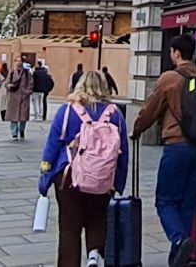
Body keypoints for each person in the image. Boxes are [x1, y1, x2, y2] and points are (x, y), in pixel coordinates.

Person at [132, 35, 196, 267]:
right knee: (187, 202)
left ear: (176, 53)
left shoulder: (170, 78)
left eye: (171, 52)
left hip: (177, 146)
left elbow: (151, 109)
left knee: (165, 202)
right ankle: (177, 258)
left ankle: (179, 239)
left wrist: (136, 130)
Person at [38, 70, 129, 267]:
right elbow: (123, 152)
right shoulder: (115, 115)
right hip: (103, 178)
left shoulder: (68, 111)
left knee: (69, 227)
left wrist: (45, 176)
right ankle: (93, 255)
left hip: (70, 177)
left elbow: (52, 144)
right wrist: (118, 182)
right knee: (97, 219)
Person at [7, 61, 34, 139]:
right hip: (14, 97)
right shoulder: (12, 73)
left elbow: (31, 84)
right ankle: (14, 133)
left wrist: (27, 92)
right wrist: (10, 86)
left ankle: (21, 130)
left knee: (23, 117)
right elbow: (7, 82)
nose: (18, 65)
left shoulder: (27, 73)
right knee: (13, 117)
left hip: (24, 97)